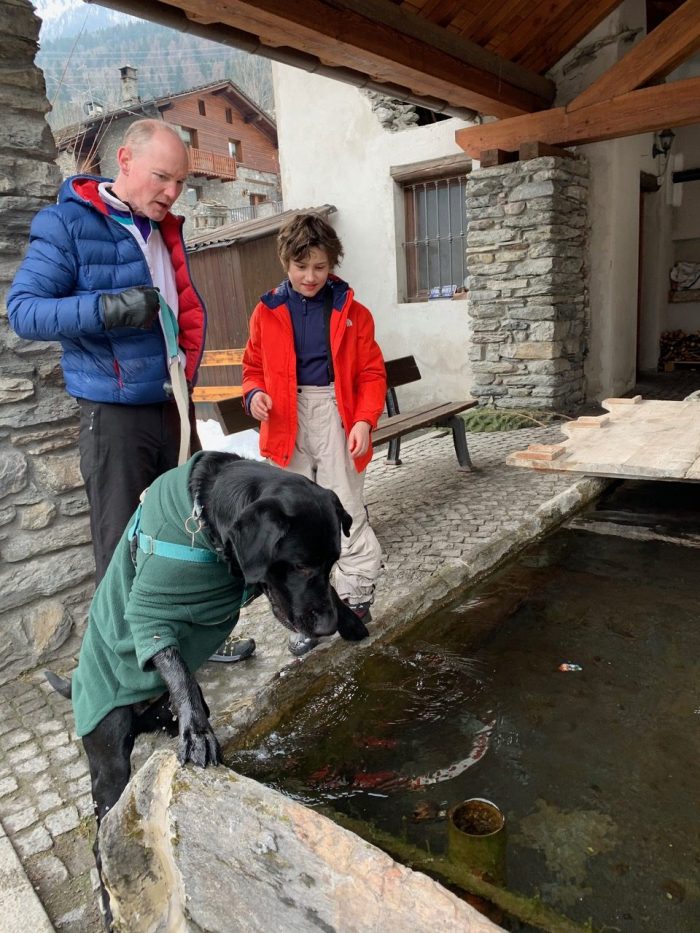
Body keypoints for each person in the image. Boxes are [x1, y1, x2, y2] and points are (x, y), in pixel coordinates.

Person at [6, 117, 256, 664]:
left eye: (180, 183)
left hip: (172, 403)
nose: (171, 193)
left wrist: (185, 385)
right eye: (162, 178)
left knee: (185, 532)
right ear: (124, 161)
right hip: (114, 414)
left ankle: (187, 644)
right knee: (122, 545)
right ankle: (117, 673)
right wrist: (111, 309)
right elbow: (23, 311)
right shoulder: (66, 224)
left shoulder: (163, 225)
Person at [241, 212, 387, 656]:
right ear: (286, 262)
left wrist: (363, 419)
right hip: (285, 419)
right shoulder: (266, 312)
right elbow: (251, 370)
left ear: (333, 263)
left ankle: (357, 598)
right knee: (289, 521)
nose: (310, 276)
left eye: (320, 267)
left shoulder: (353, 313)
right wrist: (255, 396)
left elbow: (371, 372)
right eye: (301, 267)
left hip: (335, 414)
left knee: (345, 506)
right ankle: (300, 613)